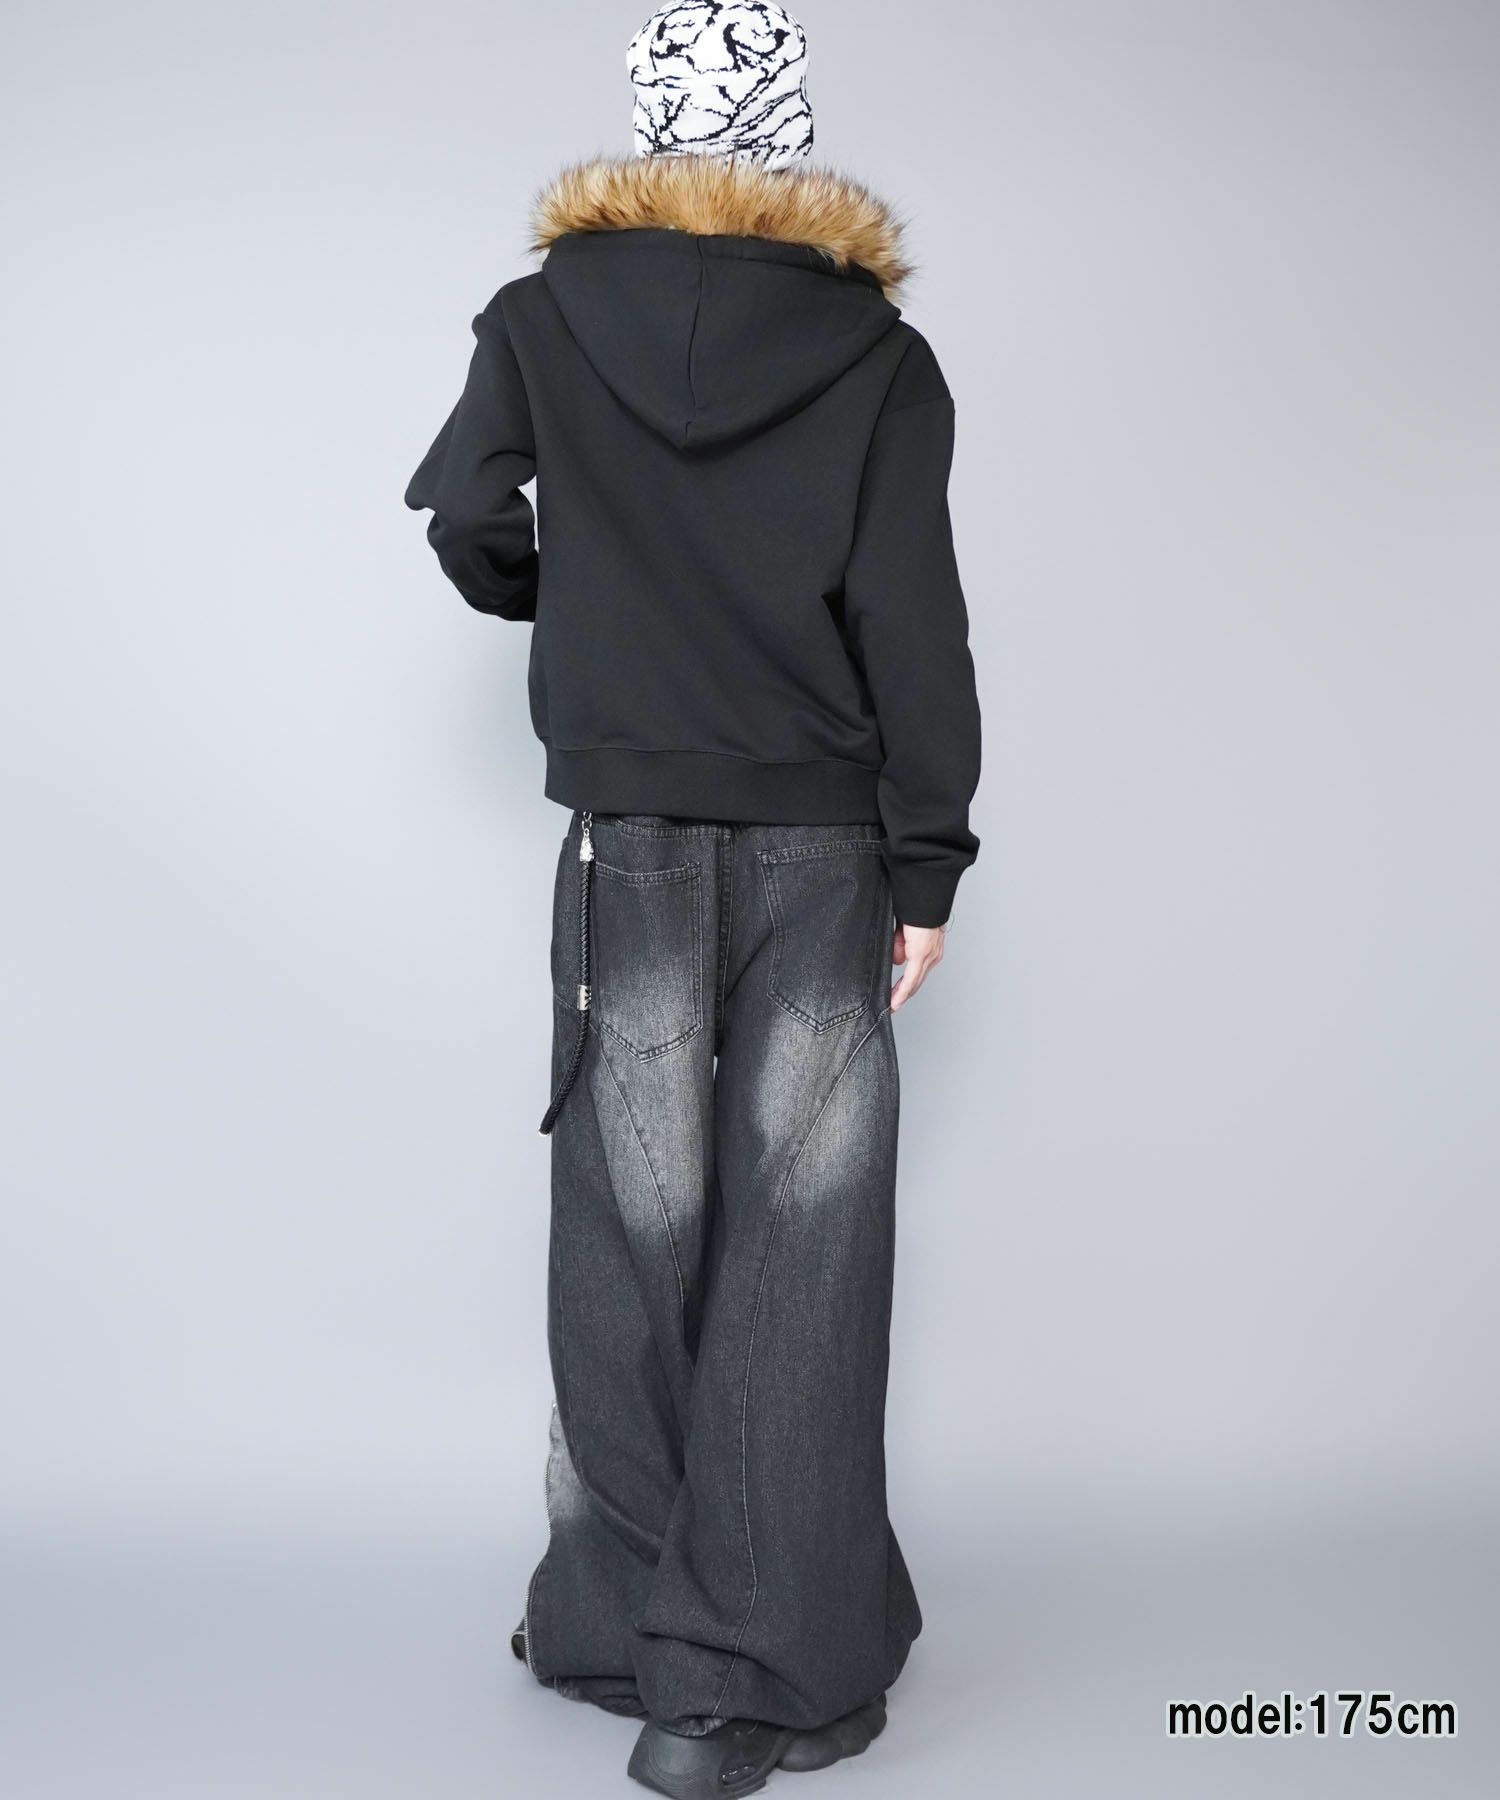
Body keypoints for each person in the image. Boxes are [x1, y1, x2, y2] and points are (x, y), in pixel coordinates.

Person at [405, 5, 980, 1793]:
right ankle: (734, 1686)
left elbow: (464, 514)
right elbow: (911, 617)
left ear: (648, 133)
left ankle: (611, 1628)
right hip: (822, 843)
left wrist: (573, 600)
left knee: (626, 1238)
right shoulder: (878, 355)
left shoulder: (541, 319)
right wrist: (929, 855)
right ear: (790, 143)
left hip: (627, 839)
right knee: (803, 1248)